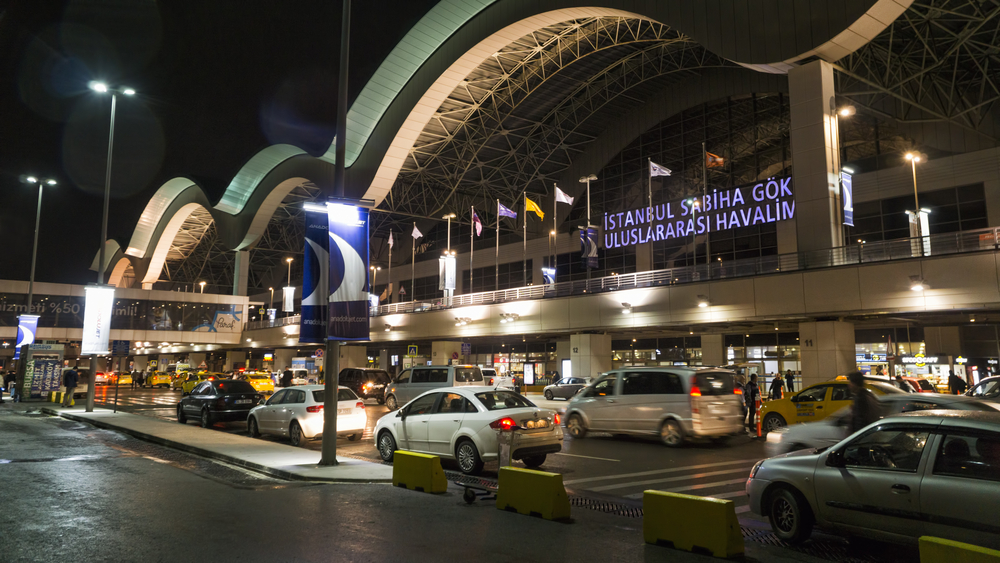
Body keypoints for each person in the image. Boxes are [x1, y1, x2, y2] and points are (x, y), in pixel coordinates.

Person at [847, 370, 880, 435]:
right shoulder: (867, 395)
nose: (849, 385)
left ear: (855, 384)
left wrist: (857, 436)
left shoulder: (861, 398)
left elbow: (860, 420)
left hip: (864, 435)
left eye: (850, 383)